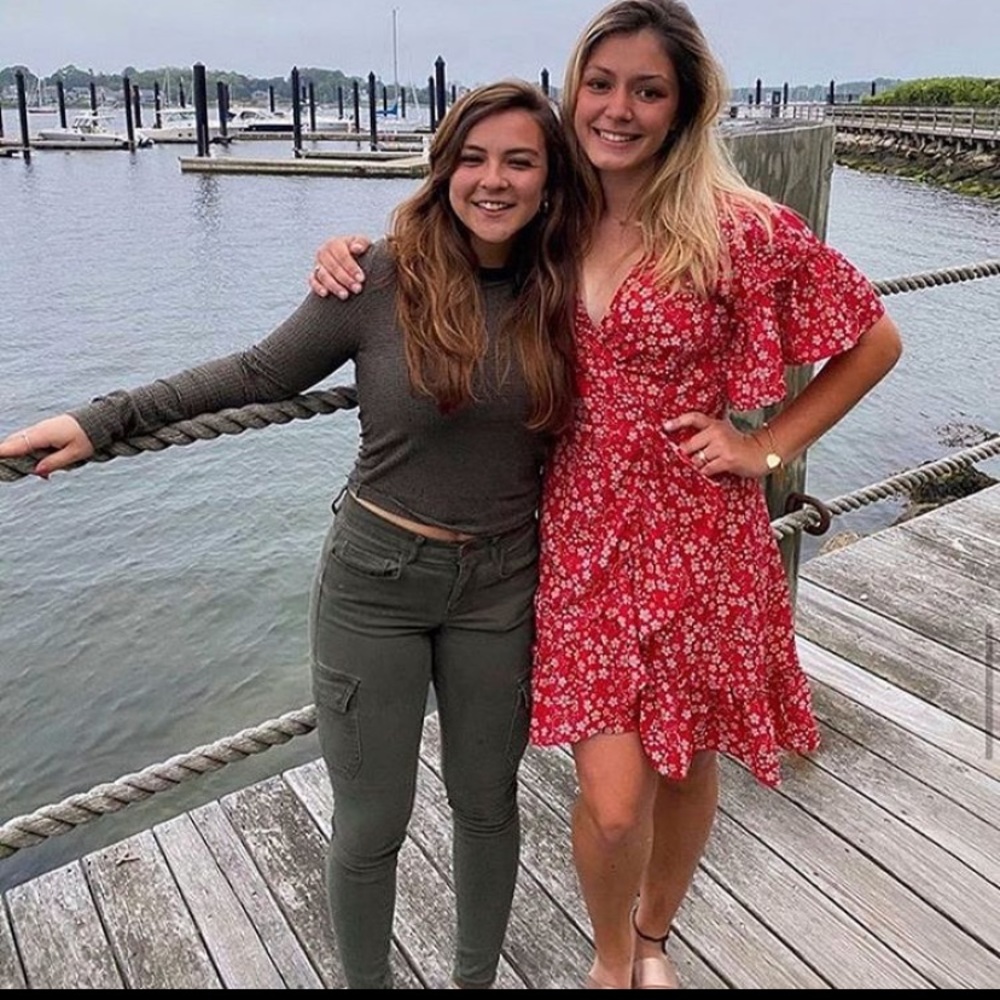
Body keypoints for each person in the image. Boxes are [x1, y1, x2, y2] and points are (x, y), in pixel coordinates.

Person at [308, 0, 903, 990]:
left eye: (648, 90)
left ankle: (653, 938)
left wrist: (763, 448)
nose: (618, 108)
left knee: (685, 761)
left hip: (699, 538)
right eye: (601, 83)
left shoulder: (739, 229)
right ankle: (611, 950)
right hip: (577, 538)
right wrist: (352, 255)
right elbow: (453, 236)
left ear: (683, 108)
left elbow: (872, 340)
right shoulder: (553, 215)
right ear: (573, 87)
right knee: (616, 795)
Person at [0, 80, 585, 990]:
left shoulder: (570, 286)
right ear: (443, 169)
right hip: (376, 584)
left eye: (520, 160)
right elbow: (261, 370)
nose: (493, 179)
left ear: (551, 182)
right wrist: (103, 418)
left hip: (506, 585)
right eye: (473, 157)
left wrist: (757, 441)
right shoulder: (379, 275)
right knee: (370, 822)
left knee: (487, 805)